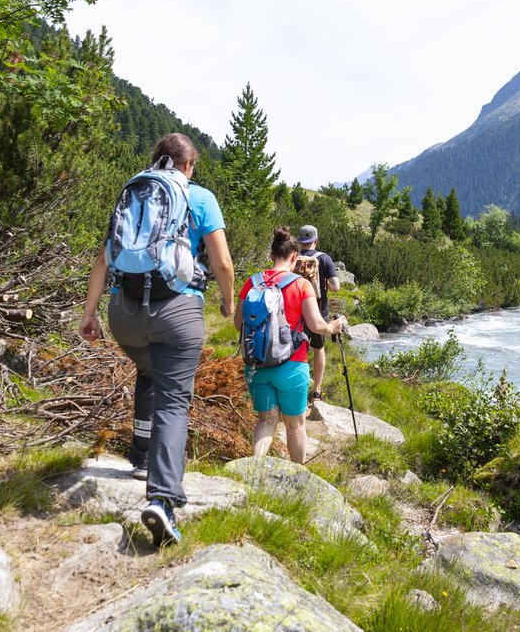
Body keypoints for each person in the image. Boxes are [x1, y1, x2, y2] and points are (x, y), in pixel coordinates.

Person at [79, 133, 234, 548]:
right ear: (188, 165)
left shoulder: (134, 190)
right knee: (173, 397)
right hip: (176, 312)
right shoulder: (198, 196)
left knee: (149, 369)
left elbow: (103, 256)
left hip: (123, 313)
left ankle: (141, 455)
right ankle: (163, 500)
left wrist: (90, 313)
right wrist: (227, 302)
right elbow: (220, 260)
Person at [235, 226, 345, 463]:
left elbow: (237, 324)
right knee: (295, 424)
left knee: (266, 420)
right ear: (295, 258)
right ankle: (298, 477)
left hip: (257, 364)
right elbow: (316, 324)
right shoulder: (301, 285)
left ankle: (254, 470)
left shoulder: (251, 282)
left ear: (271, 255)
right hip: (292, 366)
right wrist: (332, 328)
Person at [296, 224, 340, 404]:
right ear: (316, 241)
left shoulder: (292, 258)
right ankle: (317, 392)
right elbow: (335, 286)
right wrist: (327, 285)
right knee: (318, 348)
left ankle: (297, 389)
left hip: (296, 310)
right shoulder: (325, 258)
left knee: (298, 350)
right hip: (318, 309)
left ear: (300, 242)